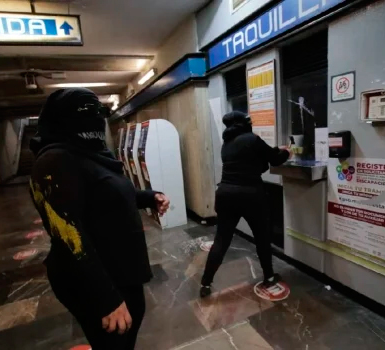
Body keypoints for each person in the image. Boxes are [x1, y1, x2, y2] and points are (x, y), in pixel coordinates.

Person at [29, 88, 170, 349]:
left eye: (98, 111)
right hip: (95, 281)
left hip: (119, 271)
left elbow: (107, 195)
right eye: (85, 111)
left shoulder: (92, 156)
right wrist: (106, 299)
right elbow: (70, 238)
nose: (95, 117)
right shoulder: (54, 161)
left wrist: (150, 197)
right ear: (61, 118)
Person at [200, 111, 290, 298]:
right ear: (244, 123)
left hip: (225, 194)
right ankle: (269, 276)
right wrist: (286, 151)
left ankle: (206, 282)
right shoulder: (252, 139)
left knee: (221, 240)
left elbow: (252, 162)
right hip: (250, 195)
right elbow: (274, 159)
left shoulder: (227, 144)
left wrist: (270, 152)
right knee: (262, 237)